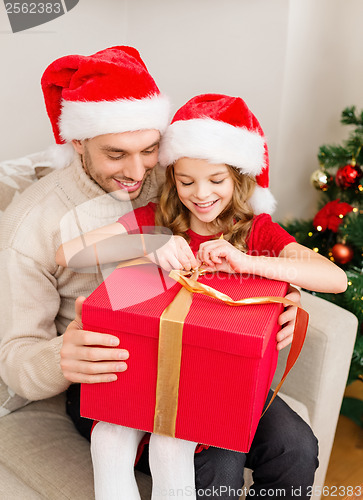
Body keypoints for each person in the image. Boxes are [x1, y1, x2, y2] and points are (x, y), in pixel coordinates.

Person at [0, 47, 302, 499]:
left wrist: (284, 297)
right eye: (116, 154)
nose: (138, 171)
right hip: (111, 373)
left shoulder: (178, 178)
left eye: (149, 149)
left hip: (203, 347)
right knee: (212, 456)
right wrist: (62, 355)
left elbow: (243, 235)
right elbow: (15, 360)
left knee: (292, 448)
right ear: (77, 141)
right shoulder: (29, 226)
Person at [56, 94, 347, 498]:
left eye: (216, 180)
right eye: (186, 181)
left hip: (224, 370)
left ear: (239, 178)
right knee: (166, 447)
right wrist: (144, 244)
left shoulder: (257, 231)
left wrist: (250, 264)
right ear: (173, 177)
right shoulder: (155, 219)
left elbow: (335, 279)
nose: (201, 194)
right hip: (150, 367)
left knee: (294, 446)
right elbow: (68, 255)